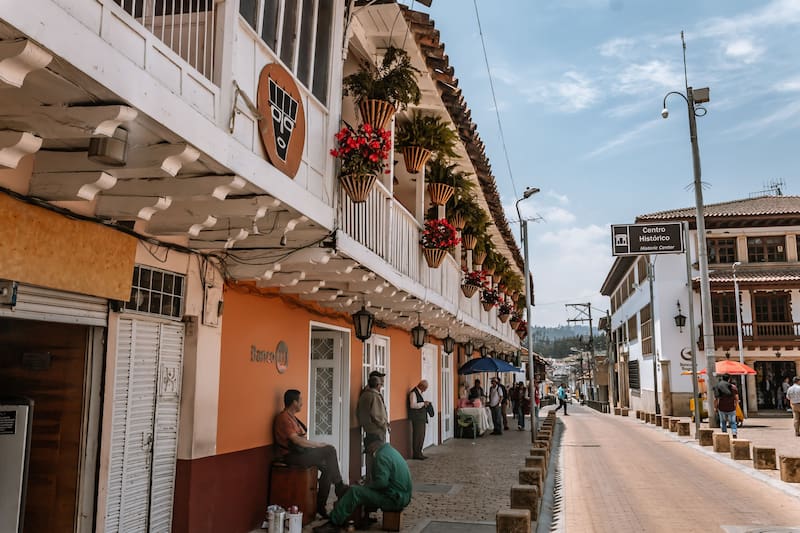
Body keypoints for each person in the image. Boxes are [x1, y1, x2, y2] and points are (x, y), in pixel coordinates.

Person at [274, 389, 349, 518]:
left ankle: (320, 505)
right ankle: (339, 486)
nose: (302, 403)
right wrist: (318, 445)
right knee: (330, 450)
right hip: (291, 456)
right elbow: (296, 440)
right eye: (300, 401)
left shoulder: (292, 418)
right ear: (294, 402)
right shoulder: (283, 418)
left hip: (300, 453)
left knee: (328, 469)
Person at [314, 435, 413, 533]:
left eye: (368, 451)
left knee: (355, 491)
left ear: (372, 446)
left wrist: (365, 486)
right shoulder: (390, 451)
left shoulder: (381, 456)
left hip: (394, 499)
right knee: (364, 491)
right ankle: (364, 517)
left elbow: (382, 483)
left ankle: (333, 523)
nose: (369, 454)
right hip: (402, 496)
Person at [357, 371, 389, 480]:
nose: (382, 385)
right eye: (381, 383)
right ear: (377, 385)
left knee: (370, 455)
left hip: (368, 429)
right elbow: (377, 415)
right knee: (377, 455)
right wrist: (384, 425)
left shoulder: (365, 394)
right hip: (376, 430)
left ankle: (369, 479)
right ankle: (375, 480)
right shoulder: (374, 396)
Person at [408, 380, 431, 460]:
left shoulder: (420, 393)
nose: (425, 390)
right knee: (417, 436)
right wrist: (423, 403)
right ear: (421, 386)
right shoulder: (413, 393)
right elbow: (412, 405)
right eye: (425, 388)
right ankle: (416, 454)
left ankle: (419, 452)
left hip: (421, 418)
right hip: (417, 418)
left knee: (421, 436)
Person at [713, 374, 739, 438]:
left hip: (722, 408)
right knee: (733, 422)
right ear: (729, 379)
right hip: (731, 408)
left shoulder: (719, 386)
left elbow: (716, 399)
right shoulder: (733, 387)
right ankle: (734, 433)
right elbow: (736, 398)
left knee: (723, 422)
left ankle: (724, 435)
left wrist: (715, 407)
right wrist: (735, 405)